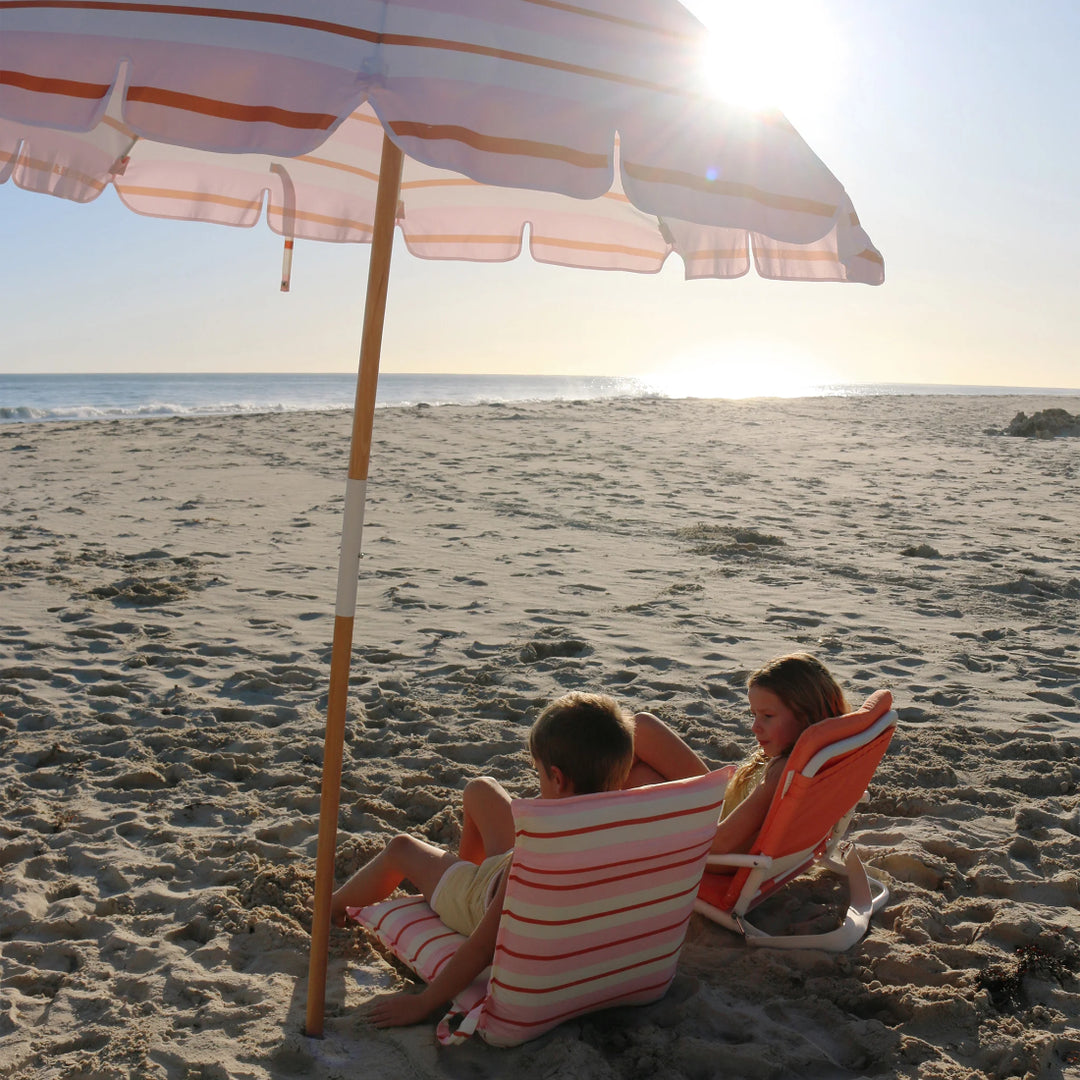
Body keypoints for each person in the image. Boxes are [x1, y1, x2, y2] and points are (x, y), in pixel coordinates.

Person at [331, 691, 635, 1029]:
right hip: (507, 869)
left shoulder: (534, 858)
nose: (538, 786)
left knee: (401, 848)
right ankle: (461, 870)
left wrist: (423, 1004)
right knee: (481, 788)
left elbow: (482, 950)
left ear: (558, 778)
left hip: (481, 899)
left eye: (539, 775)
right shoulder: (623, 829)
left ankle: (333, 907)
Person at [627, 653, 849, 855]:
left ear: (805, 715)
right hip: (721, 806)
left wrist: (656, 829)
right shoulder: (820, 751)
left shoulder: (783, 770)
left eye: (768, 716)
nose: (755, 727)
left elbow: (723, 842)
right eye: (754, 714)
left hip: (712, 838)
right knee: (642, 728)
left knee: (631, 773)